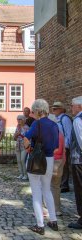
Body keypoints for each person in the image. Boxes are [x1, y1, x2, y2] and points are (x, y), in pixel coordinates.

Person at [24, 99, 59, 235]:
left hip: (36, 159)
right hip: (49, 158)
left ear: (38, 111)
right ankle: (54, 220)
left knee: (36, 193)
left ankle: (40, 225)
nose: (33, 114)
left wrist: (28, 148)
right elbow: (56, 145)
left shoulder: (37, 124)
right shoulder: (54, 125)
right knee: (47, 189)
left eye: (33, 111)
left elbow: (26, 138)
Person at [51, 101, 73, 193]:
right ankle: (60, 183)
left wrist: (66, 147)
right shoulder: (57, 118)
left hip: (64, 146)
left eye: (56, 108)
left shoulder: (64, 119)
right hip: (58, 146)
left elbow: (69, 133)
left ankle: (64, 185)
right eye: (53, 108)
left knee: (64, 166)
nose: (53, 110)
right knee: (59, 165)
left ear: (61, 109)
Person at [68, 96, 82, 229]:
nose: (71, 108)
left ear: (79, 107)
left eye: (72, 105)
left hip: (78, 160)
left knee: (79, 189)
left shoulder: (77, 120)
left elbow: (80, 141)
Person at [51, 130, 65, 217]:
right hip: (60, 161)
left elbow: (58, 150)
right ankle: (57, 209)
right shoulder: (60, 134)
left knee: (48, 186)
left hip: (53, 161)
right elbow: (62, 150)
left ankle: (49, 209)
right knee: (56, 187)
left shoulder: (51, 134)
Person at [13, 115, 29, 180]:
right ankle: (21, 174)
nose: (18, 121)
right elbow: (14, 138)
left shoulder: (27, 127)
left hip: (24, 146)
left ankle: (26, 174)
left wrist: (20, 135)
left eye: (20, 119)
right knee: (18, 161)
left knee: (23, 160)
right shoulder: (18, 127)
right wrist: (16, 135)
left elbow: (28, 137)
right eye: (17, 119)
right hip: (18, 146)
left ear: (23, 120)